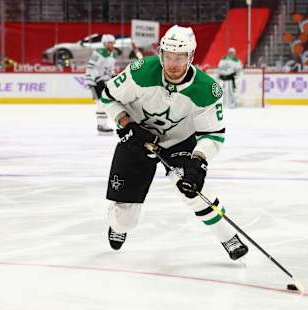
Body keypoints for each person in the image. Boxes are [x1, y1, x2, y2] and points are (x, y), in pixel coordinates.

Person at [99, 25, 248, 261]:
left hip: (180, 143)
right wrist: (126, 124)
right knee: (126, 217)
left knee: (194, 191)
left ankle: (228, 236)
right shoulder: (140, 72)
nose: (173, 64)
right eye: (168, 56)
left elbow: (213, 134)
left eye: (179, 57)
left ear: (191, 57)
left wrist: (198, 160)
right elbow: (108, 97)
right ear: (161, 55)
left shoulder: (207, 89)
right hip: (137, 139)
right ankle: (118, 226)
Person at [85, 34, 119, 135]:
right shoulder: (99, 53)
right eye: (109, 43)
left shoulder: (114, 54)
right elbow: (91, 67)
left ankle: (103, 125)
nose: (111, 44)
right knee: (101, 103)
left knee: (105, 103)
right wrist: (96, 79)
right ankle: (101, 126)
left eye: (112, 42)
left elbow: (110, 68)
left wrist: (112, 76)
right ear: (104, 43)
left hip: (105, 81)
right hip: (95, 81)